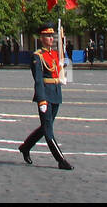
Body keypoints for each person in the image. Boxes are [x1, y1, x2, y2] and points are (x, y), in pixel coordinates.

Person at [18, 26, 73, 170]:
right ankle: (61, 160)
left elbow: (66, 69)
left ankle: (26, 147)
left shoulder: (56, 54)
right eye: (48, 36)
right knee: (48, 130)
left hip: (56, 93)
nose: (51, 38)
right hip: (45, 95)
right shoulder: (38, 56)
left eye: (52, 36)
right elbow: (38, 79)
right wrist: (41, 99)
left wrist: (63, 43)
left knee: (45, 127)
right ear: (41, 38)